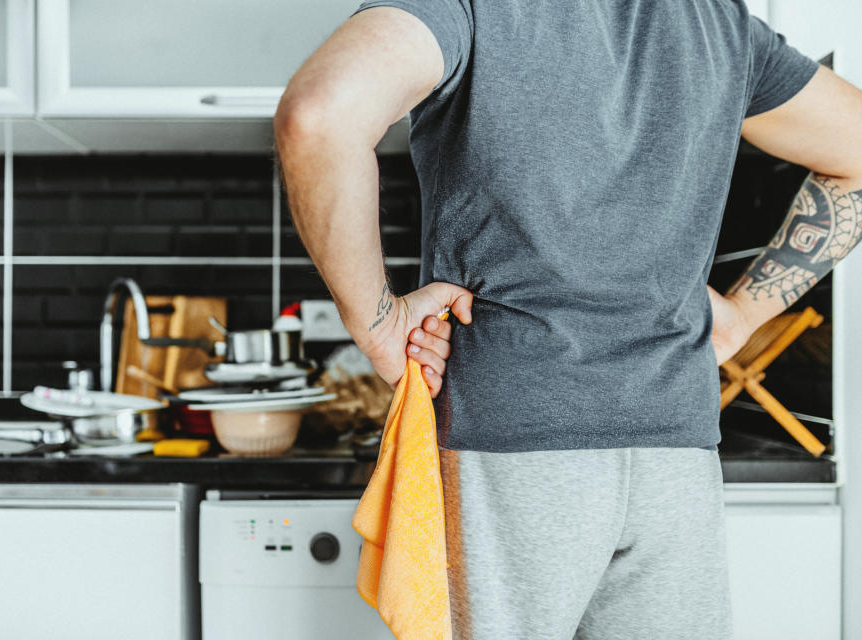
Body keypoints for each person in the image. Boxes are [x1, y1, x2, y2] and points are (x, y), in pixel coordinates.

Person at [274, 1, 862, 637]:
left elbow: (320, 115)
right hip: (675, 453)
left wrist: (380, 325)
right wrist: (744, 313)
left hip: (508, 444)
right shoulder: (716, 19)